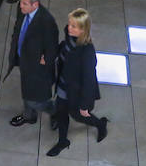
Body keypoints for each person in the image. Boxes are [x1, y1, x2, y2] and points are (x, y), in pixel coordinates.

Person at [45, 8, 109, 156]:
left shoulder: (87, 53)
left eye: (73, 26)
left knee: (79, 115)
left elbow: (89, 81)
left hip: (76, 93)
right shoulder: (69, 35)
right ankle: (62, 141)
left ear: (82, 30)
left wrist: (85, 105)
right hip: (63, 86)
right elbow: (63, 47)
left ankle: (100, 124)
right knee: (61, 113)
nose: (69, 27)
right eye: (69, 24)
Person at [6, 0, 59, 127]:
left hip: (37, 69)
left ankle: (55, 112)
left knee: (36, 100)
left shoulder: (46, 22)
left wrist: (45, 60)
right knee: (27, 91)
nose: (20, 5)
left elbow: (53, 47)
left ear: (34, 5)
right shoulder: (23, 11)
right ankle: (29, 116)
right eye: (21, 2)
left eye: (24, 3)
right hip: (24, 61)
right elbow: (18, 28)